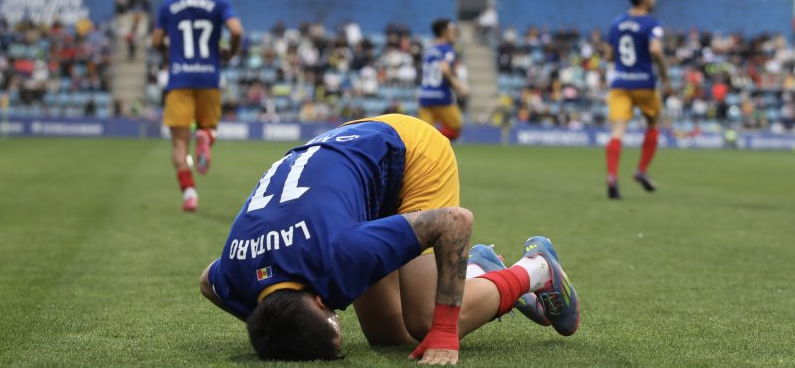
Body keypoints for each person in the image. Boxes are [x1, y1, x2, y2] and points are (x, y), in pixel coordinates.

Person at [200, 114, 579, 363]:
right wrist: (273, 323)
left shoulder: (338, 255)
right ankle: (478, 271)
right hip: (351, 158)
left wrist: (446, 333)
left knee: (424, 323)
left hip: (410, 153)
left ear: (320, 299)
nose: (336, 320)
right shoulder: (235, 276)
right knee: (386, 335)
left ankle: (535, 269)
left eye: (330, 318)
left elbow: (455, 222)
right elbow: (208, 283)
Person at [151, 0, 243, 212]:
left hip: (179, 78)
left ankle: (189, 194)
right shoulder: (218, 1)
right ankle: (205, 136)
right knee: (209, 128)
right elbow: (236, 30)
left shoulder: (169, 3)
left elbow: (156, 41)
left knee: (179, 143)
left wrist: (170, 52)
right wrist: (231, 52)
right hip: (208, 77)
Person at [604, 0, 670, 200]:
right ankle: (641, 170)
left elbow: (609, 56)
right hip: (644, 84)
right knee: (653, 123)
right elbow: (656, 50)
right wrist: (665, 76)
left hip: (620, 83)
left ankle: (612, 177)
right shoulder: (651, 24)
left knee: (617, 130)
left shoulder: (617, 23)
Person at [417, 19, 467, 141]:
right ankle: (435, 142)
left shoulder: (428, 49)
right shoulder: (447, 48)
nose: (455, 35)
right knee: (455, 129)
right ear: (445, 32)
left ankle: (428, 145)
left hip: (425, 95)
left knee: (424, 133)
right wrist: (458, 85)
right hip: (441, 96)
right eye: (452, 31)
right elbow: (444, 68)